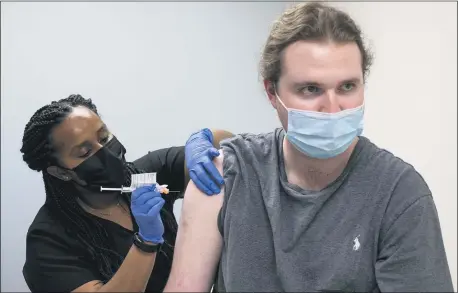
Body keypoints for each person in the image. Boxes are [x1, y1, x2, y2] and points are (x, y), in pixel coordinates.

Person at [164, 2, 454, 292]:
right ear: (271, 92)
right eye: (310, 89)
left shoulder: (398, 195)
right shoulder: (227, 177)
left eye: (347, 87)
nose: (331, 108)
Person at [20, 94, 233, 292]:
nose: (106, 151)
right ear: (60, 172)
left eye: (104, 137)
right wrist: (146, 242)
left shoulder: (146, 176)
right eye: (85, 152)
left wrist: (200, 142)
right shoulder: (48, 242)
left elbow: (229, 145)